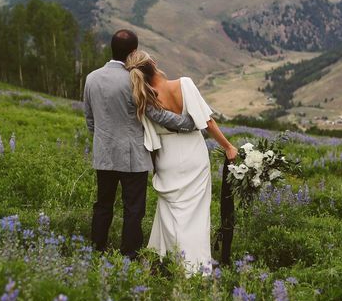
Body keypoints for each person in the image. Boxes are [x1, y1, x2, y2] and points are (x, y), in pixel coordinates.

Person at [83, 29, 197, 258]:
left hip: (104, 154)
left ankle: (96, 250)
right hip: (132, 156)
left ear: (111, 49)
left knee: (103, 205)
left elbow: (90, 120)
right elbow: (158, 115)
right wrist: (189, 123)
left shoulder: (91, 78)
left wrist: (105, 139)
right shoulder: (134, 80)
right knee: (133, 209)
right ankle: (129, 255)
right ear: (134, 52)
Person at [125, 49, 238, 273]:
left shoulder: (144, 99)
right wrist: (228, 146)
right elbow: (208, 121)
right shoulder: (184, 84)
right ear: (154, 63)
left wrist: (156, 168)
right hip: (193, 153)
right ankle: (194, 265)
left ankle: (166, 258)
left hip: (167, 156)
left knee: (169, 209)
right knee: (196, 211)